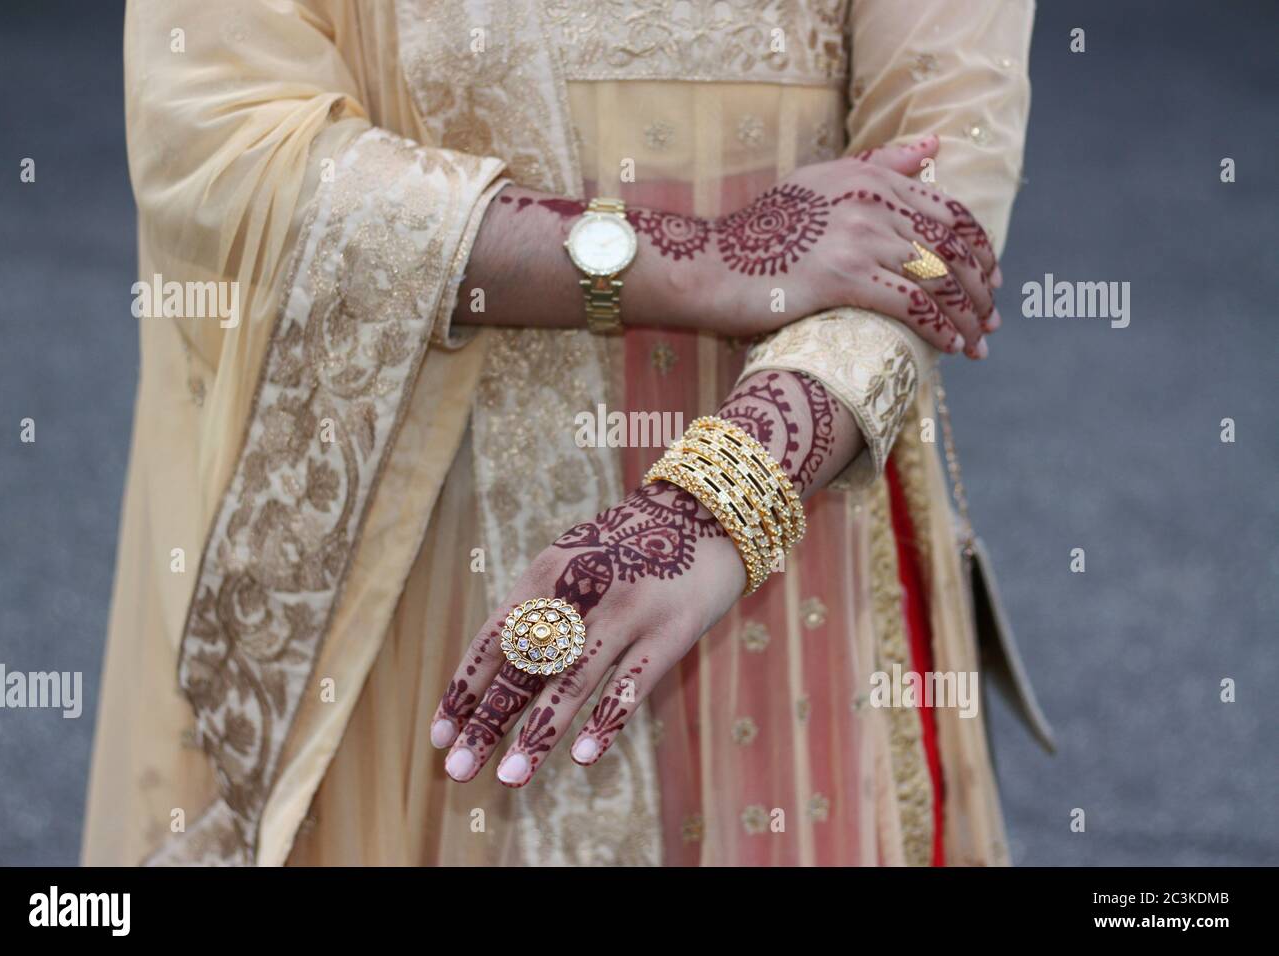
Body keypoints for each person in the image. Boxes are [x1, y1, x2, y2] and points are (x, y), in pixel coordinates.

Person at [83, 0, 1036, 866]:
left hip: (781, 550)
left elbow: (936, 214)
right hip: (425, 554)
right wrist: (702, 259)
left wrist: (712, 505)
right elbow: (221, 155)